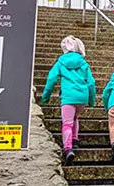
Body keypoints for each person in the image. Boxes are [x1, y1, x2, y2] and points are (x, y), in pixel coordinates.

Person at [41, 36, 96, 166]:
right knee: (75, 117)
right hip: (82, 97)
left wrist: (46, 97)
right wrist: (91, 100)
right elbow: (92, 83)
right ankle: (75, 140)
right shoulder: (83, 63)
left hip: (68, 97)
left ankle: (68, 148)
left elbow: (51, 79)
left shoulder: (60, 62)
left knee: (67, 123)